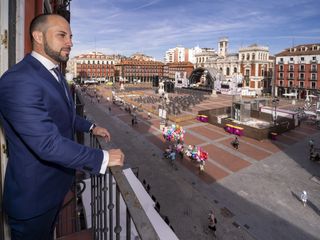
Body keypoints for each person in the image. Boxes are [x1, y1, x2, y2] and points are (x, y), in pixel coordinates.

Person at [0, 14, 124, 240]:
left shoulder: (54, 73)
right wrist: (103, 158)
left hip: (53, 190)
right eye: (62, 35)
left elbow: (65, 115)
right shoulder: (19, 80)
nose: (70, 42)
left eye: (71, 36)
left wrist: (91, 126)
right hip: (33, 199)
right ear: (38, 36)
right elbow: (46, 144)